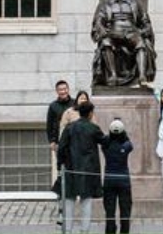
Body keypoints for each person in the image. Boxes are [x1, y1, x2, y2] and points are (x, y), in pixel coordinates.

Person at [92, 0, 156, 87]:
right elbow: (98, 21)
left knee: (141, 43)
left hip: (132, 32)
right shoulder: (106, 4)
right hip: (113, 33)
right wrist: (102, 30)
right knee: (105, 42)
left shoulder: (135, 4)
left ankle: (142, 77)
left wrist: (142, 31)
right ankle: (113, 75)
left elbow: (145, 21)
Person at [59, 102, 106, 234]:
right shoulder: (93, 128)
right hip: (88, 169)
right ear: (90, 113)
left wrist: (60, 166)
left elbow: (61, 148)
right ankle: (85, 230)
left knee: (69, 200)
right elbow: (105, 141)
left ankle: (67, 230)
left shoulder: (69, 128)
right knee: (86, 201)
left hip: (70, 168)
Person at [101, 118, 134, 234]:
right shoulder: (126, 145)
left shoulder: (106, 145)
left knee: (109, 211)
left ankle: (110, 231)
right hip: (124, 180)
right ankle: (124, 231)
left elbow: (104, 140)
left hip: (109, 180)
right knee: (125, 210)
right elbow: (130, 144)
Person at [47, 80, 73, 223]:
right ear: (57, 91)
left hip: (74, 146)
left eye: (65, 89)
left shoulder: (75, 104)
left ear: (68, 89)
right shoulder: (53, 106)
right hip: (60, 147)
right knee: (62, 175)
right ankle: (61, 210)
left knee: (74, 174)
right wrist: (52, 141)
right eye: (60, 90)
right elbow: (49, 125)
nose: (63, 91)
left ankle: (74, 207)